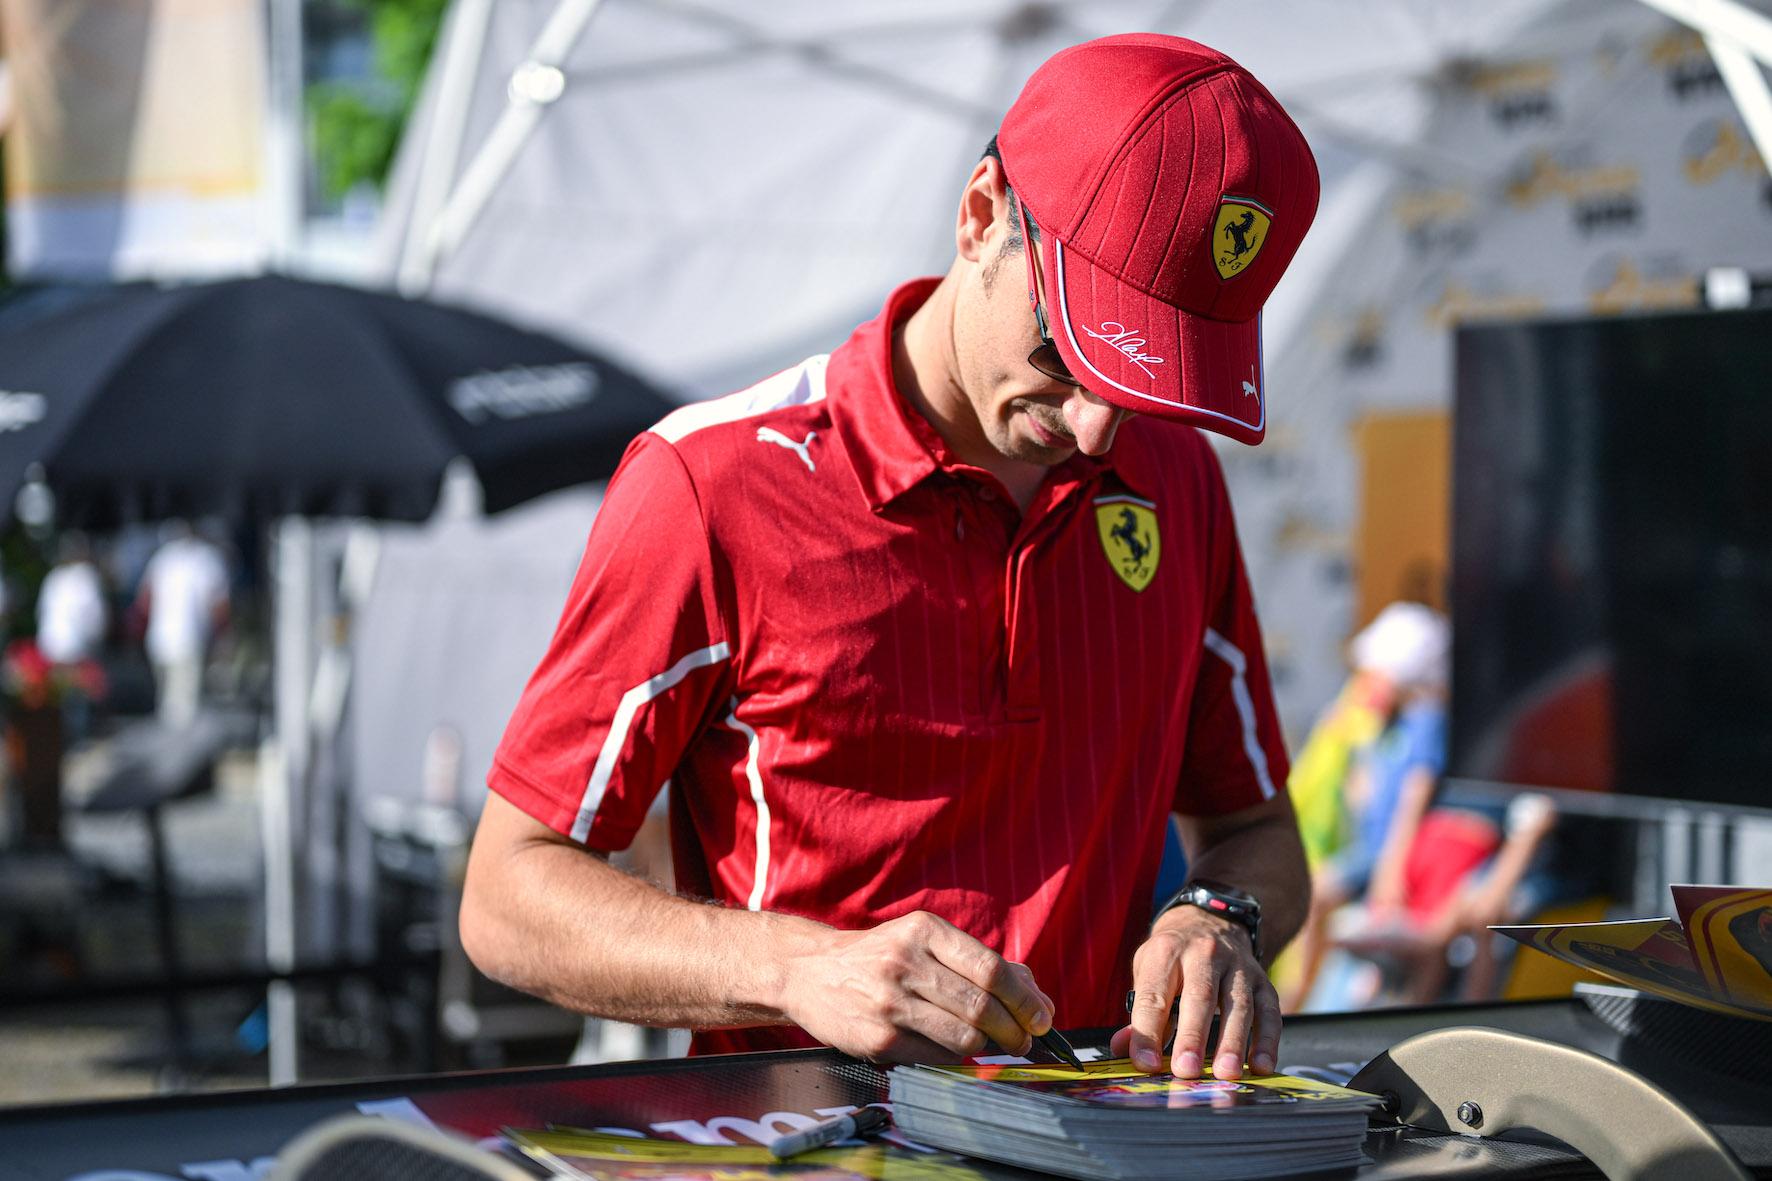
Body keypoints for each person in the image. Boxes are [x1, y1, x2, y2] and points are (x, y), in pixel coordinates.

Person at [462, 34, 1320, 1080]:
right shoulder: (710, 483)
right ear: (979, 213)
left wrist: (1215, 912)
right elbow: (505, 894)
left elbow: (1256, 827)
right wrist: (797, 967)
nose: (1099, 430)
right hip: (792, 1143)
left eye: (1144, 381)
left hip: (1101, 1148)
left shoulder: (1175, 475)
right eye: (1069, 353)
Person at [133, 520, 230, 728]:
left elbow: (144, 602)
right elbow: (218, 604)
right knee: (183, 709)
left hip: (159, 640)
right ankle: (176, 755)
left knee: (169, 703)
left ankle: (169, 750)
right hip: (187, 639)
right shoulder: (205, 558)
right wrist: (223, 636)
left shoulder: (161, 558)